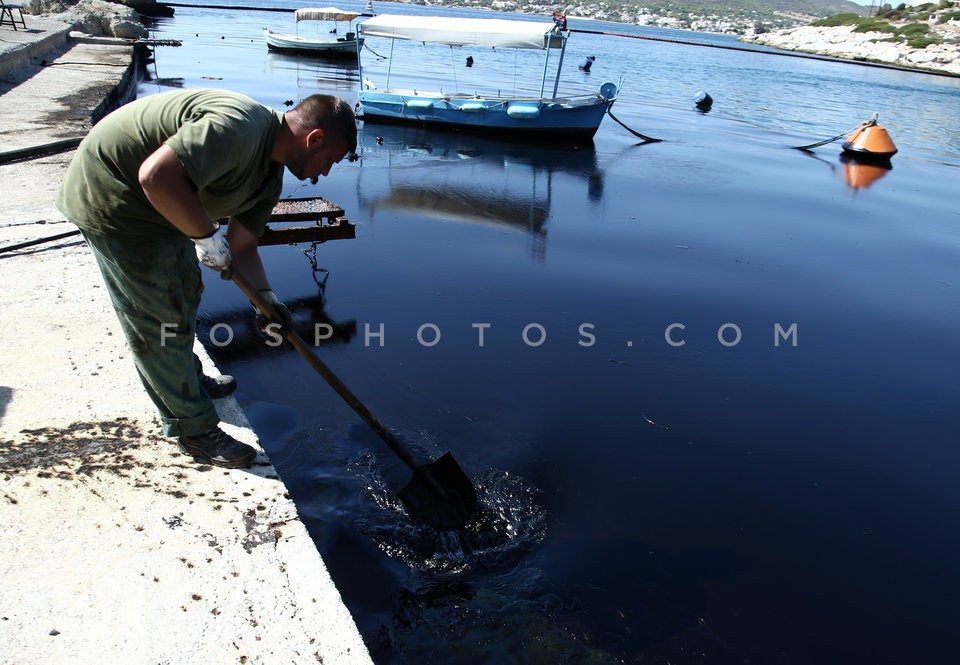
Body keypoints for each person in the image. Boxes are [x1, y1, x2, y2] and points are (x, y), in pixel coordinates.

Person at [56, 89, 357, 469]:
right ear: (313, 139)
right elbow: (155, 174)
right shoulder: (238, 127)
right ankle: (192, 428)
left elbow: (243, 246)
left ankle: (189, 378)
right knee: (158, 315)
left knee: (185, 290)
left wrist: (266, 298)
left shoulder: (269, 178)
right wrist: (203, 235)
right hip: (116, 194)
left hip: (163, 204)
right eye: (330, 160)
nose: (326, 173)